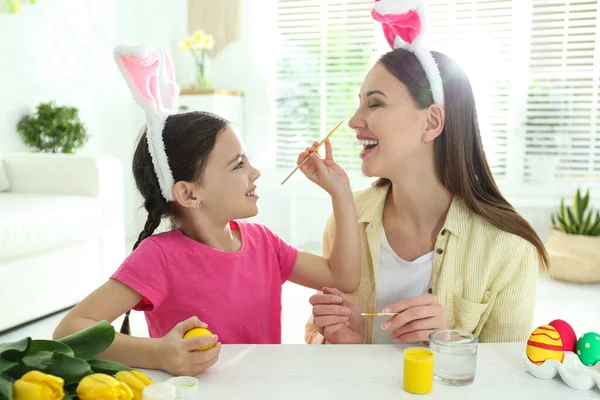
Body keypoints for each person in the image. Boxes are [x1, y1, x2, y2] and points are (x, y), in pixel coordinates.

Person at [53, 45, 361, 376]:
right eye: (238, 164)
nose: (254, 173)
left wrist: (340, 191)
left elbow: (343, 277)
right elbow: (69, 333)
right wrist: (159, 353)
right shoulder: (159, 257)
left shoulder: (264, 243)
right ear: (188, 193)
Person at [305, 0, 550, 345]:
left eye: (374, 103)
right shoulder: (347, 219)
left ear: (431, 121)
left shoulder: (508, 249)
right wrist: (341, 340)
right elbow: (314, 336)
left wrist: (448, 342)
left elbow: (508, 380)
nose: (353, 122)